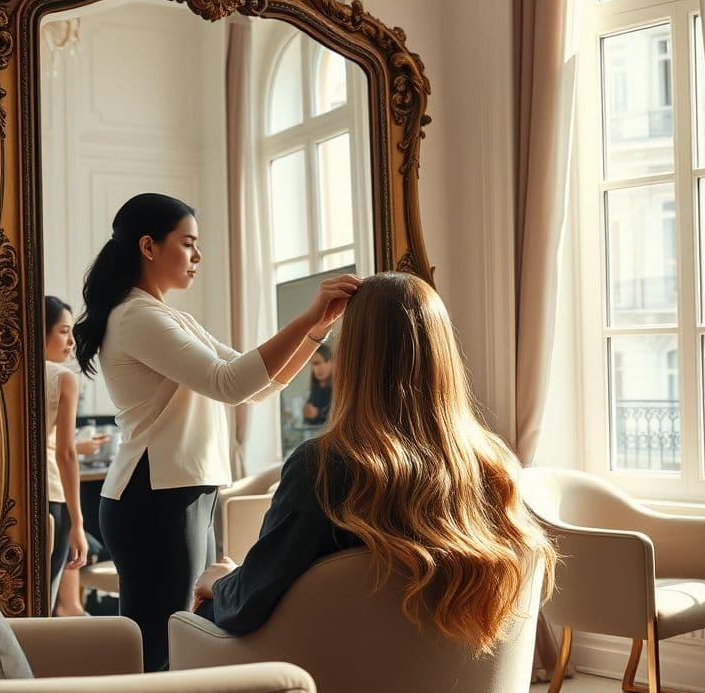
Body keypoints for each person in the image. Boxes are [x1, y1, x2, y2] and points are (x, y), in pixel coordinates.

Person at [193, 271, 557, 655]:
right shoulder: (494, 465)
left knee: (200, 618)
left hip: (341, 686)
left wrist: (221, 582)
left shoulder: (323, 469)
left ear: (352, 359)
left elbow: (250, 603)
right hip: (463, 688)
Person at [73, 192, 359, 672]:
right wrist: (310, 316)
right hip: (154, 496)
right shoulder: (136, 317)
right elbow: (231, 384)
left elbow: (258, 385)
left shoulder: (170, 317)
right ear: (148, 246)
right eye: (188, 243)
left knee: (187, 632)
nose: (198, 256)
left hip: (182, 491)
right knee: (162, 646)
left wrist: (317, 329)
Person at [44, 296, 99, 610]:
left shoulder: (5, 376)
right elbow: (64, 454)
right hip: (52, 496)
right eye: (64, 331)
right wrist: (78, 524)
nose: (71, 341)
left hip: (8, 497)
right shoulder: (63, 379)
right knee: (45, 599)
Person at [301, 342, 333, 426]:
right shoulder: (315, 388)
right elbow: (308, 423)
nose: (315, 368)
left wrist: (317, 414)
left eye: (317, 363)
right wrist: (308, 414)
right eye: (313, 364)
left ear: (329, 362)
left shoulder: (340, 388)